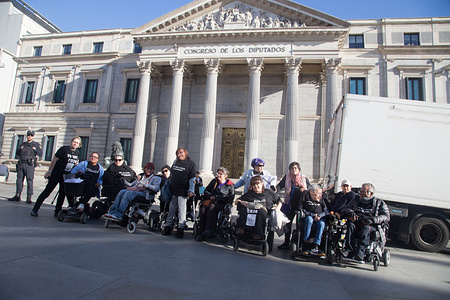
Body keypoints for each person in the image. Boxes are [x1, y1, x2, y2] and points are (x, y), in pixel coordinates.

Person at [30, 136, 81, 217]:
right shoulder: (64, 149)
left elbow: (76, 163)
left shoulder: (77, 153)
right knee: (47, 191)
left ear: (79, 145)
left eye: (77, 143)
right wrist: (49, 171)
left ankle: (57, 211)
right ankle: (35, 209)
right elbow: (54, 159)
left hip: (66, 176)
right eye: (74, 142)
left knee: (62, 193)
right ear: (71, 142)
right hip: (57, 173)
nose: (75, 144)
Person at [342, 183, 390, 262]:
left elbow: (386, 216)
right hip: (357, 223)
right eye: (360, 191)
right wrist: (350, 212)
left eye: (362, 192)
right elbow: (346, 209)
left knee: (365, 229)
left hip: (371, 225)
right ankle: (349, 250)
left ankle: (360, 253)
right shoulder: (356, 199)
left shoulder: (379, 202)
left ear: (370, 193)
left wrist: (373, 220)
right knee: (350, 225)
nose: (360, 193)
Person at [161, 147, 197, 238]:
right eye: (177, 153)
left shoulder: (191, 164)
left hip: (183, 191)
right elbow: (172, 175)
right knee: (171, 209)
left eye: (181, 152)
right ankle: (168, 226)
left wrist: (191, 190)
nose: (179, 154)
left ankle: (180, 228)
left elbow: (192, 178)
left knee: (181, 210)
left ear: (185, 152)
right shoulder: (175, 162)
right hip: (174, 190)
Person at [275, 161, 310, 249]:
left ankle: (298, 242)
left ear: (299, 169)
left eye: (295, 168)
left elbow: (309, 191)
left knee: (299, 224)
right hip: (289, 205)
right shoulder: (287, 177)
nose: (294, 170)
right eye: (292, 168)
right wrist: (274, 190)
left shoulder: (304, 178)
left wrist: (304, 190)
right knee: (287, 223)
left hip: (300, 205)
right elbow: (280, 186)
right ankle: (286, 242)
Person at [235, 175, 282, 240]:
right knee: (243, 210)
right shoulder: (250, 194)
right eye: (253, 184)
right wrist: (243, 202)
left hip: (263, 212)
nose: (256, 186)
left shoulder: (268, 192)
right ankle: (242, 228)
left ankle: (257, 234)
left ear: (262, 184)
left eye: (257, 184)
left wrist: (278, 208)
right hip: (250, 211)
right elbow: (237, 201)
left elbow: (279, 201)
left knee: (260, 212)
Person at [196, 167, 235, 241]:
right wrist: (211, 196)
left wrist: (217, 198)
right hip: (211, 202)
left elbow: (230, 197)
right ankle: (201, 232)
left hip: (222, 204)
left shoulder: (230, 185)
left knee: (212, 207)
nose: (218, 175)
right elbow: (206, 191)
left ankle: (210, 229)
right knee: (204, 209)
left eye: (221, 174)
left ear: (225, 175)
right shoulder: (214, 182)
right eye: (218, 173)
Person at [8, 130, 42, 203]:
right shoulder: (23, 144)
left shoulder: (35, 144)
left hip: (29, 164)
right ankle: (17, 195)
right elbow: (17, 153)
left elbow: (40, 153)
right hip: (21, 163)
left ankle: (29, 197)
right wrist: (20, 149)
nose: (29, 136)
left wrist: (35, 149)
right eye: (28, 135)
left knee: (29, 180)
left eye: (31, 135)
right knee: (19, 180)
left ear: (33, 136)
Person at [299, 184, 329, 256]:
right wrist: (312, 215)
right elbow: (301, 209)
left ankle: (316, 245)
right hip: (309, 216)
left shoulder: (321, 200)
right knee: (309, 220)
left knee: (321, 224)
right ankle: (305, 243)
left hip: (319, 218)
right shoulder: (306, 197)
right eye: (318, 193)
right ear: (312, 192)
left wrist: (319, 215)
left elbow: (326, 211)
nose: (320, 195)